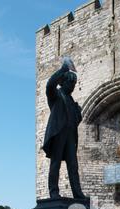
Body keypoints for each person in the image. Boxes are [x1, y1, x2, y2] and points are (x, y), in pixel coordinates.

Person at [42, 58, 88, 200]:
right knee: (55, 163)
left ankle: (77, 193)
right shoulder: (56, 95)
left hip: (70, 135)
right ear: (63, 82)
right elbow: (50, 84)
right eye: (70, 83)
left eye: (74, 84)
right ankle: (53, 191)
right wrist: (64, 68)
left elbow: (75, 119)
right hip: (58, 133)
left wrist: (77, 113)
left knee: (73, 165)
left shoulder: (71, 100)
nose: (72, 86)